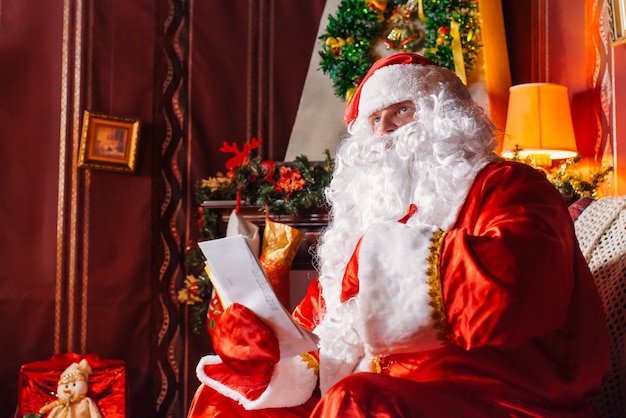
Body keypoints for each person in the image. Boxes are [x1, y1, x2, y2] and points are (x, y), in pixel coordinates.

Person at [188, 52, 611, 417]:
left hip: (499, 399)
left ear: (446, 117)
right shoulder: (369, 223)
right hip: (381, 393)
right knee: (225, 403)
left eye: (402, 110)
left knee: (358, 401)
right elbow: (317, 340)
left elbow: (517, 285)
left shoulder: (509, 186)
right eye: (375, 118)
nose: (387, 129)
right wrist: (258, 350)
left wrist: (383, 266)